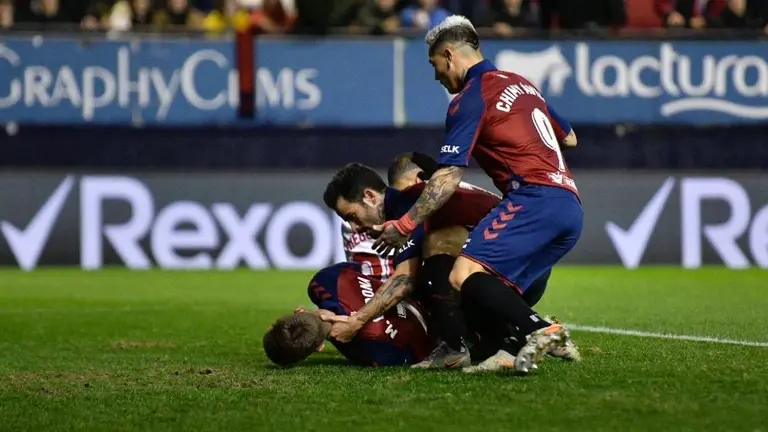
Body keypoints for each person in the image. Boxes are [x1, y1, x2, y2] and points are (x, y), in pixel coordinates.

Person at [370, 15, 582, 373]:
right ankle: (506, 352)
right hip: (569, 204)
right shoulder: (522, 84)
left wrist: (405, 224)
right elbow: (570, 138)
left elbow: (449, 177)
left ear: (449, 55)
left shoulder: (470, 98)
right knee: (489, 284)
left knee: (461, 274)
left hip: (533, 198)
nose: (436, 75)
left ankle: (546, 330)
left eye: (434, 64)